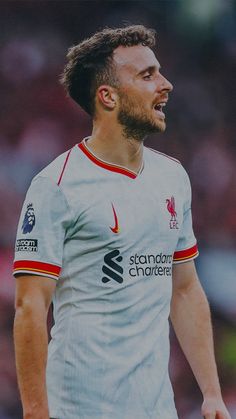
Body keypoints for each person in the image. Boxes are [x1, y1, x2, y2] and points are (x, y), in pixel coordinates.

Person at [13, 25, 231, 419]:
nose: (165, 84)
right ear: (108, 96)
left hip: (157, 408)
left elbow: (184, 289)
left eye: (160, 72)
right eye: (147, 75)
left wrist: (211, 393)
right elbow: (30, 306)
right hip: (79, 408)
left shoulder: (172, 177)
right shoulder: (57, 185)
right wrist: (35, 412)